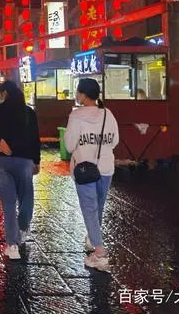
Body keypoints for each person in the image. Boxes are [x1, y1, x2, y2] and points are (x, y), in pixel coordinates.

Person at [0, 81, 41, 260]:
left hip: (4, 161)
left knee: (8, 204)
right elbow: (35, 138)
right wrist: (37, 161)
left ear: (5, 93)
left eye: (0, 93)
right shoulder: (28, 112)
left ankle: (12, 245)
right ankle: (22, 228)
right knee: (26, 197)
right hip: (25, 161)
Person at [65, 78, 119, 273]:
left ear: (83, 95)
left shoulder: (76, 116)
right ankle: (92, 238)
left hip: (85, 169)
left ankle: (100, 254)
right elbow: (115, 141)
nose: (76, 95)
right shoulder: (108, 114)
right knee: (98, 207)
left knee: (89, 209)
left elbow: (69, 145)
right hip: (106, 167)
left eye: (77, 92)